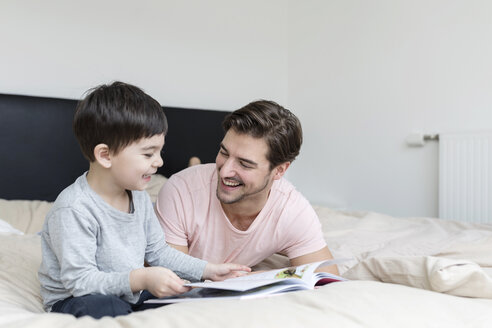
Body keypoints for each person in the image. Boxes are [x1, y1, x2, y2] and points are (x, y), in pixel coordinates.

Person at [38, 82, 250, 319]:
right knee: (109, 309)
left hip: (128, 291)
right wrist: (142, 278)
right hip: (75, 298)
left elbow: (158, 252)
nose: (158, 162)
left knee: (184, 300)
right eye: (148, 154)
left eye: (159, 152)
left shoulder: (138, 196)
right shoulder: (74, 208)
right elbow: (80, 282)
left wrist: (208, 271)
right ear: (105, 155)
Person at [155, 100, 338, 274]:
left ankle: (195, 164)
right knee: (194, 179)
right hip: (192, 183)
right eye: (224, 153)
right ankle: (194, 166)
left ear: (279, 170)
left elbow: (326, 279)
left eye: (245, 164)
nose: (225, 171)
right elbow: (170, 278)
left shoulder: (291, 210)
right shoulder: (180, 190)